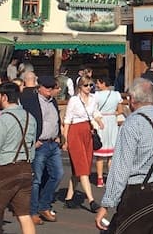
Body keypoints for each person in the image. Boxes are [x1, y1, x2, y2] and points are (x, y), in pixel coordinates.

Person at [94, 77, 153, 234]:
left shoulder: (132, 124)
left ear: (132, 99)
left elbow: (121, 168)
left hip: (137, 194)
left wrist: (107, 204)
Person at [0, 82, 37, 234]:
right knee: (24, 214)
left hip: (6, 169)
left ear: (4, 97)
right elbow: (32, 148)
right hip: (26, 167)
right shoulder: (30, 117)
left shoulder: (3, 119)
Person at [20, 75, 64, 225]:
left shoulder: (53, 102)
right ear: (40, 87)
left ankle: (43, 205)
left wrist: (59, 137)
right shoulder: (31, 101)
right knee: (36, 179)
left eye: (52, 88)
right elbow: (26, 120)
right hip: (40, 144)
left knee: (57, 174)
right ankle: (32, 211)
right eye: (47, 87)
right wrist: (32, 141)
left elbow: (56, 119)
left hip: (53, 143)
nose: (50, 90)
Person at [62, 75, 101, 211]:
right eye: (86, 85)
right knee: (83, 167)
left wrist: (99, 121)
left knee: (80, 168)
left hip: (87, 132)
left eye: (91, 85)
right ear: (80, 87)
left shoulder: (93, 99)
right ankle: (91, 200)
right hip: (75, 132)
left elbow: (95, 112)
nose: (89, 88)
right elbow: (67, 120)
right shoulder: (74, 100)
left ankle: (69, 197)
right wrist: (65, 140)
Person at [92, 75, 122, 188]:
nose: (97, 85)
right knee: (111, 153)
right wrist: (113, 113)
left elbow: (93, 110)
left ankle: (100, 179)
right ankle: (110, 178)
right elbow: (120, 110)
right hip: (112, 121)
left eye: (98, 83)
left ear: (103, 83)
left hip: (101, 121)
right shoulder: (116, 94)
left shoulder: (96, 95)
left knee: (100, 153)